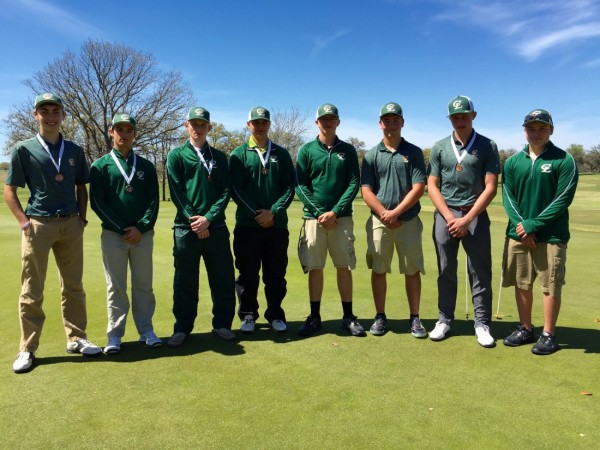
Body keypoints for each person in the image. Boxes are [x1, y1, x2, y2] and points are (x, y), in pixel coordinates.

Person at [5, 92, 101, 374]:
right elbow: (10, 190)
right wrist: (24, 222)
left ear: (63, 116)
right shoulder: (23, 149)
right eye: (44, 110)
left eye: (55, 110)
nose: (50, 115)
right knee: (31, 289)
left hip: (70, 224)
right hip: (38, 224)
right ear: (36, 115)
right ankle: (27, 348)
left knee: (73, 286)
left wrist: (81, 218)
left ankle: (77, 338)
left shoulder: (74, 150)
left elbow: (82, 186)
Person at [501, 109, 578, 355]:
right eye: (531, 128)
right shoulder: (513, 162)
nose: (536, 133)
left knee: (550, 286)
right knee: (522, 283)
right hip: (518, 234)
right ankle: (525, 328)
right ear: (524, 131)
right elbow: (508, 197)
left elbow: (562, 198)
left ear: (551, 130)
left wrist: (534, 224)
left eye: (542, 128)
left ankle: (548, 334)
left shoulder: (563, 160)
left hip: (551, 235)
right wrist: (523, 226)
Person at [427, 95, 500, 347]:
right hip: (445, 215)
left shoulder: (488, 145)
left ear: (473, 116)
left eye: (464, 116)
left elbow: (491, 187)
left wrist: (467, 218)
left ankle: (482, 323)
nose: (460, 120)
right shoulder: (439, 147)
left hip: (475, 215)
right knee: (445, 269)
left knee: (479, 270)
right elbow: (432, 185)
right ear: (450, 119)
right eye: (455, 117)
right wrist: (449, 217)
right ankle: (445, 319)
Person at [89, 113, 161, 354]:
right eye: (119, 130)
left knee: (143, 285)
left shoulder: (146, 166)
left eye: (128, 130)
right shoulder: (100, 166)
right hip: (113, 236)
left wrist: (140, 227)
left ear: (134, 134)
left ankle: (146, 331)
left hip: (142, 235)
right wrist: (121, 228)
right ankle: (115, 335)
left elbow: (153, 201)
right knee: (116, 287)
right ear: (111, 132)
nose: (124, 134)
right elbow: (97, 203)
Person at [166, 106, 236, 346]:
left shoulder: (219, 157)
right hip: (186, 230)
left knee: (223, 279)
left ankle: (222, 324)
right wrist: (195, 220)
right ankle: (182, 328)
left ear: (209, 127)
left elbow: (225, 191)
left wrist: (209, 218)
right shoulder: (176, 155)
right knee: (185, 281)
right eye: (193, 124)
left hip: (215, 228)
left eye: (202, 124)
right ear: (187, 126)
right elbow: (177, 192)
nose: (198, 128)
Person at [295, 103, 364, 337]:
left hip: (341, 219)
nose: (327, 122)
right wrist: (319, 212)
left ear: (338, 122)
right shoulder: (306, 150)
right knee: (315, 267)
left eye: (331, 118)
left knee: (343, 267)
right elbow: (301, 185)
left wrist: (334, 212)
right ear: (316, 122)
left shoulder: (348, 150)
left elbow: (353, 183)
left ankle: (348, 316)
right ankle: (314, 317)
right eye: (323, 119)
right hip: (314, 220)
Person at [361, 102, 427, 337]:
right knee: (379, 269)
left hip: (408, 220)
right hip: (380, 222)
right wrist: (384, 214)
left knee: (412, 270)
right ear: (380, 123)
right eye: (386, 120)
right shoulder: (371, 155)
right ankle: (380, 316)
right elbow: (366, 190)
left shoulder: (414, 152)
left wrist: (396, 212)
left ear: (402, 122)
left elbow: (419, 187)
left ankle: (415, 318)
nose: (391, 124)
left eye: (395, 120)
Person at [229, 106, 295, 333]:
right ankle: (248, 315)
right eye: (255, 122)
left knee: (275, 273)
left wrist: (273, 212)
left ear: (269, 124)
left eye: (264, 122)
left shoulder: (281, 153)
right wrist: (257, 214)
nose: (260, 126)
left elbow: (289, 188)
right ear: (248, 125)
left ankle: (275, 313)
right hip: (248, 226)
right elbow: (235, 190)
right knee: (247, 274)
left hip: (277, 226)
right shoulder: (238, 154)